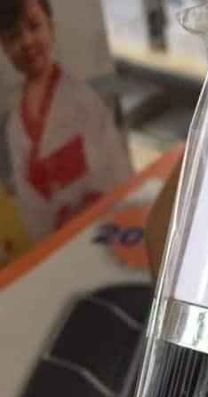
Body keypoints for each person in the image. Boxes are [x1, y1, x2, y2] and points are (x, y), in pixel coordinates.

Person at [0, 0, 132, 244]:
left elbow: (114, 165)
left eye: (34, 26)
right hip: (57, 240)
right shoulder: (15, 126)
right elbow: (29, 205)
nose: (26, 41)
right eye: (13, 36)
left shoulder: (81, 98)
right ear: (4, 47)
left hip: (105, 226)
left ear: (51, 28)